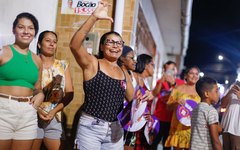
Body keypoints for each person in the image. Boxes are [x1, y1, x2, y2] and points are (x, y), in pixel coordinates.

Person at [69, 1, 134, 149]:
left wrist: (145, 101)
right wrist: (94, 17)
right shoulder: (93, 63)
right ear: (102, 46)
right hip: (91, 128)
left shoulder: (124, 72)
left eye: (119, 43)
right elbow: (74, 45)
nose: (115, 46)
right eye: (110, 42)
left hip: (115, 130)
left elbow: (133, 101)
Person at [0, 12, 44, 150]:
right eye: (21, 27)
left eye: (31, 28)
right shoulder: (3, 52)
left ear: (35, 32)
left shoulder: (37, 60)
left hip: (28, 113)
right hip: (3, 110)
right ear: (14, 30)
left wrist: (41, 94)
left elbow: (37, 87)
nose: (26, 31)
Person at [31, 30, 74, 150]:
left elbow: (70, 94)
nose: (51, 44)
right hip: (32, 116)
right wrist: (38, 110)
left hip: (54, 117)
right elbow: (26, 90)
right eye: (48, 41)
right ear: (39, 44)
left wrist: (53, 111)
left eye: (54, 42)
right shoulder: (32, 63)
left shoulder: (63, 65)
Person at [151, 61, 185, 150]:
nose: (170, 72)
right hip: (159, 116)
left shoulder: (180, 83)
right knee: (154, 142)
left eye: (172, 69)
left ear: (176, 70)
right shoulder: (161, 81)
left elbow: (182, 94)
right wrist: (161, 81)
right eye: (168, 69)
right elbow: (154, 94)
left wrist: (173, 83)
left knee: (167, 144)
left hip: (172, 119)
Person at [165, 66, 201, 150]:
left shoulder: (201, 92)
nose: (194, 76)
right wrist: (176, 103)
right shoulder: (178, 89)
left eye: (196, 74)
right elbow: (168, 107)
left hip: (192, 129)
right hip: (178, 128)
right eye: (191, 73)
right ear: (186, 76)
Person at [190, 77, 222, 150]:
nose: (218, 94)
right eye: (216, 91)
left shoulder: (195, 108)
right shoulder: (211, 111)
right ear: (207, 94)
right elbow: (215, 139)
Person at [132, 54, 156, 150]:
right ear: (146, 65)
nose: (154, 68)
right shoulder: (134, 77)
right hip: (132, 123)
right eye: (152, 65)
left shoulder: (145, 82)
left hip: (142, 124)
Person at [221, 82, 240, 150]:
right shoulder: (234, 85)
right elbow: (223, 104)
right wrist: (230, 92)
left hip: (237, 130)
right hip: (226, 127)